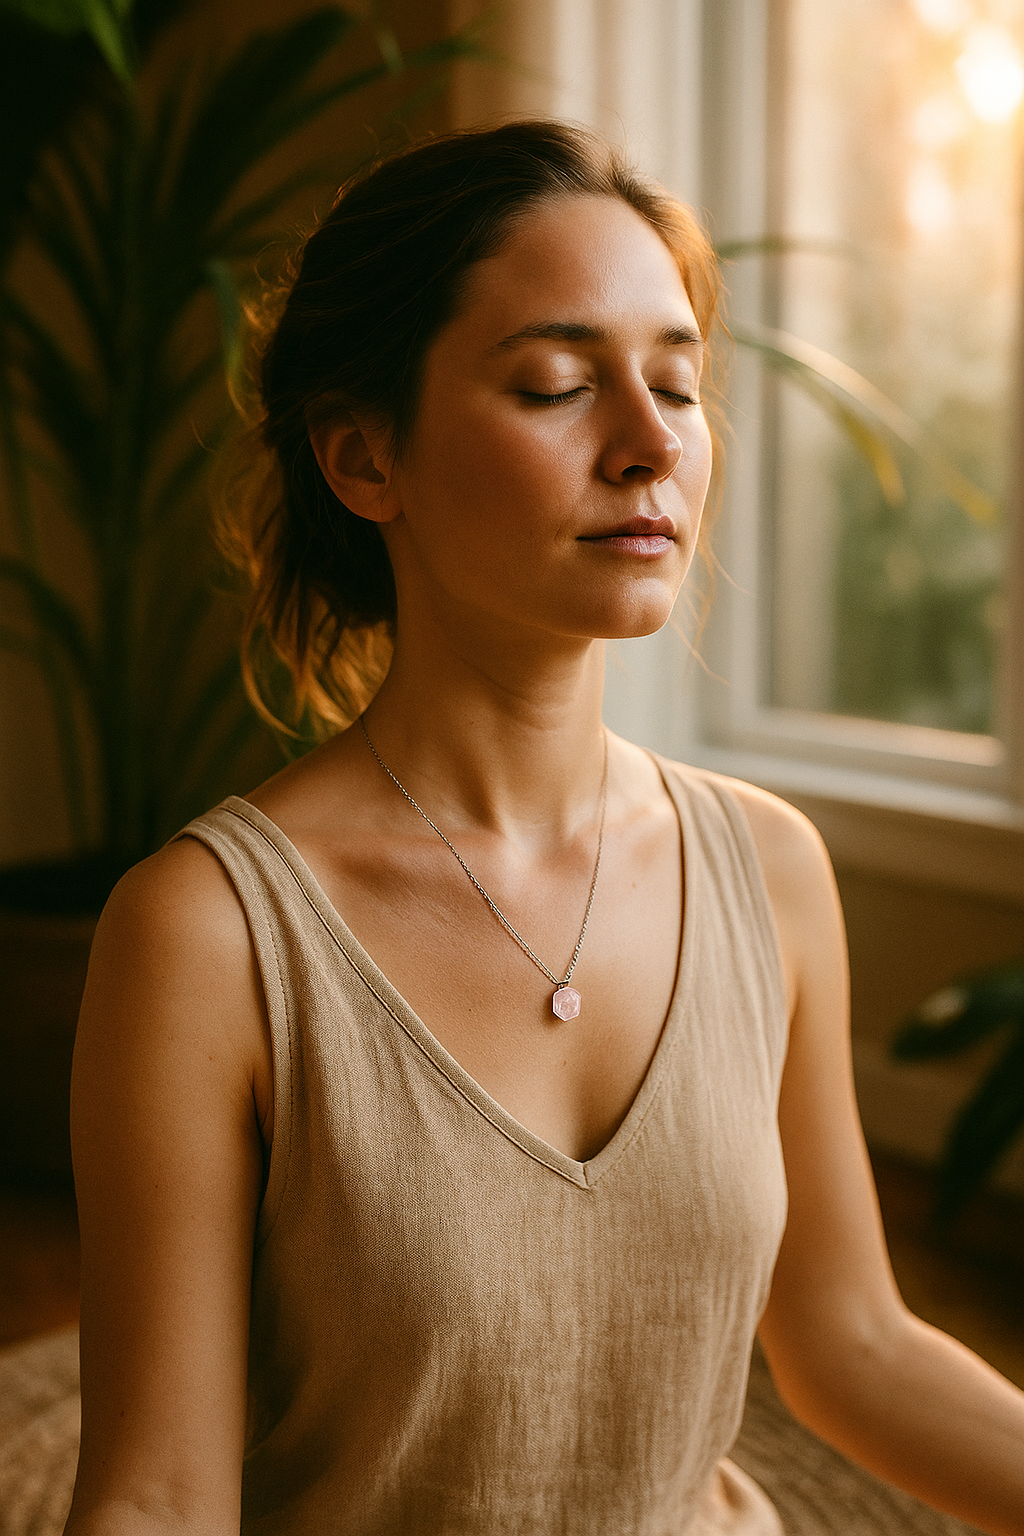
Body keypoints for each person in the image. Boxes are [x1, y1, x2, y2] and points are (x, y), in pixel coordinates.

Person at [63, 120, 1024, 1536]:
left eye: (681, 385)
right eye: (560, 386)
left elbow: (854, 1348)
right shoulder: (206, 934)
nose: (650, 446)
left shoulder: (767, 870)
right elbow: (158, 1494)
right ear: (363, 459)